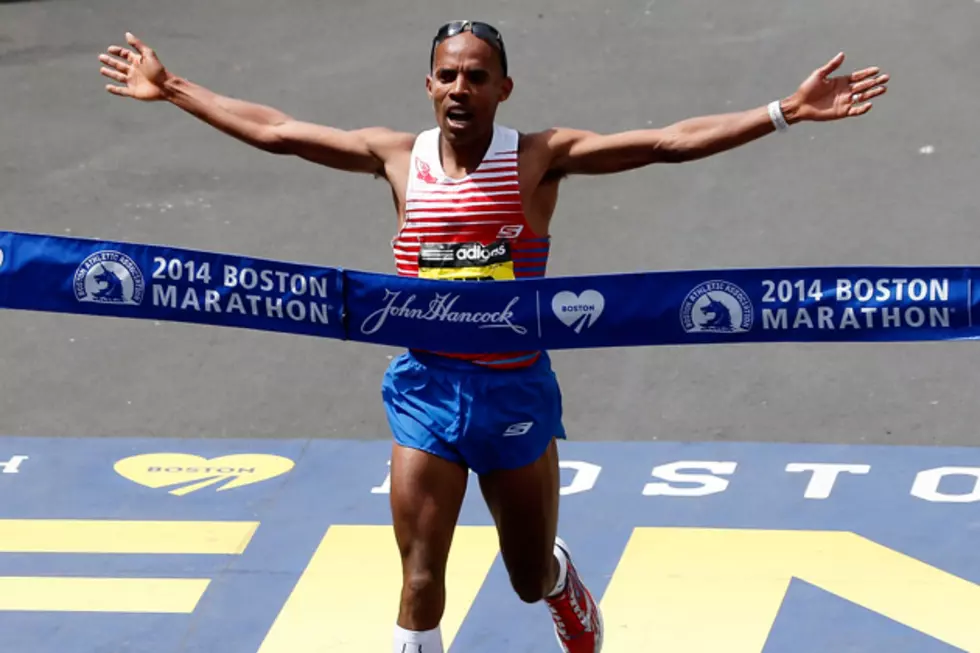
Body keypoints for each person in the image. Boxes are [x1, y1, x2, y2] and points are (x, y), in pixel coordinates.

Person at [98, 21, 889, 653]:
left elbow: (668, 141)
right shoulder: (397, 158)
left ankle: (561, 583)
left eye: (478, 75)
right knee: (418, 577)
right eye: (448, 73)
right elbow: (276, 130)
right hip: (426, 392)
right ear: (430, 84)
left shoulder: (540, 159)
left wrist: (785, 110)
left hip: (513, 391)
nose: (461, 87)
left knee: (523, 572)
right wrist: (172, 88)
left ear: (503, 88)